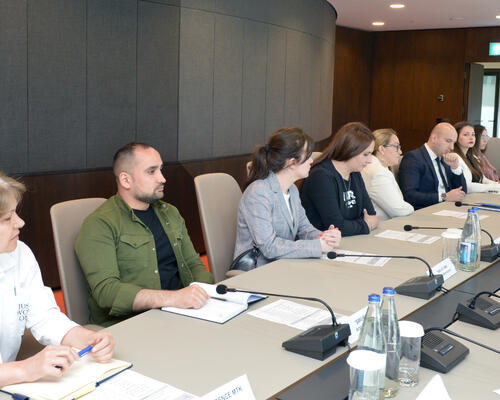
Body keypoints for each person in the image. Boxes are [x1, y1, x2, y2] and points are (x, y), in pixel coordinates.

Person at [75, 142, 214, 327]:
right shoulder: (99, 224)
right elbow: (107, 292)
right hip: (132, 325)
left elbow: (193, 264)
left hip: (183, 314)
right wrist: (173, 298)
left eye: (161, 170)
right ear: (126, 180)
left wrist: (206, 295)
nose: (162, 178)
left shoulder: (170, 213)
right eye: (151, 171)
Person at [0, 172, 114, 387]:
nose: (20, 222)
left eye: (16, 213)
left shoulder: (20, 253)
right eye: (7, 218)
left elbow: (43, 316)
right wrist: (26, 368)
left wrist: (86, 338)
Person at [233, 127, 341, 268]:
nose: (311, 161)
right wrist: (317, 246)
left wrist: (324, 237)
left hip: (285, 265)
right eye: (307, 156)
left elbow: (304, 228)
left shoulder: (292, 190)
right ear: (291, 162)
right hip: (259, 270)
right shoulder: (258, 193)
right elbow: (269, 247)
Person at [301, 122, 379, 236]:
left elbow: (371, 214)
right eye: (366, 154)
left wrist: (362, 224)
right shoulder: (320, 176)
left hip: (352, 239)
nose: (370, 160)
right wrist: (366, 225)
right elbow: (336, 226)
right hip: (325, 242)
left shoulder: (355, 173)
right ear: (350, 149)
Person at [398, 122, 467, 209]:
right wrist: (444, 196)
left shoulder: (445, 158)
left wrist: (455, 168)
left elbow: (462, 191)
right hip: (426, 210)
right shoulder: (413, 158)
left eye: (454, 143)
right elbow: (410, 195)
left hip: (447, 207)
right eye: (448, 141)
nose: (452, 147)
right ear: (434, 138)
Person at [361, 129, 414, 220]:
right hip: (382, 225)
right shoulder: (379, 172)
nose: (400, 152)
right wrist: (411, 208)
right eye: (396, 147)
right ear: (382, 149)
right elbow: (399, 210)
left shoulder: (373, 166)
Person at [453, 121, 500, 193]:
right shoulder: (455, 157)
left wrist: (496, 184)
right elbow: (467, 186)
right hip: (467, 196)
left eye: (473, 134)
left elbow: (483, 180)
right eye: (466, 135)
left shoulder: (473, 156)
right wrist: (494, 187)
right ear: (456, 137)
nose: (471, 138)